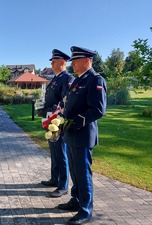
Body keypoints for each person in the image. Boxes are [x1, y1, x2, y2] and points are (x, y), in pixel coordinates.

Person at [57, 46, 107, 225]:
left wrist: (74, 122)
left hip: (83, 135)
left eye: (75, 61)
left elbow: (98, 110)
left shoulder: (95, 79)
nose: (72, 65)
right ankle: (76, 201)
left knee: (83, 173)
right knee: (75, 172)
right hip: (71, 135)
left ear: (87, 60)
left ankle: (85, 210)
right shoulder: (78, 80)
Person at [38, 49, 74, 198]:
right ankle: (55, 179)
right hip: (50, 118)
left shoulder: (67, 79)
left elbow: (64, 100)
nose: (51, 63)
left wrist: (49, 109)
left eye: (54, 61)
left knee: (61, 152)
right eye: (51, 61)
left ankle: (63, 185)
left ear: (63, 62)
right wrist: (42, 108)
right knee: (53, 150)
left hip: (58, 120)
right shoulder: (54, 79)